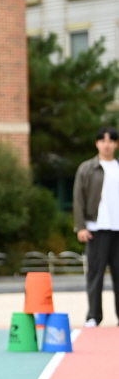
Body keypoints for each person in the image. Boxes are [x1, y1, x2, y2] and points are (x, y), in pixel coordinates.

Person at [73, 127, 119, 327]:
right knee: (95, 274)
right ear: (97, 143)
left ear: (116, 144)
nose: (106, 144)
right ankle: (93, 316)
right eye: (103, 141)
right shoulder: (87, 168)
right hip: (96, 229)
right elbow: (78, 199)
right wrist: (81, 226)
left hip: (118, 230)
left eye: (111, 141)